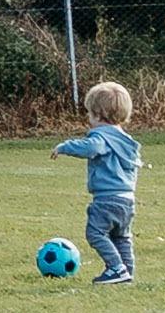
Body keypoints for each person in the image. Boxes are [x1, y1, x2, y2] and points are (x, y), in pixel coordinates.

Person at [52, 82, 141, 285]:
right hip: (127, 199)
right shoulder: (126, 140)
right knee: (121, 236)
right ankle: (127, 271)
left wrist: (65, 146)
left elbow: (91, 147)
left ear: (99, 115)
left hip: (107, 198)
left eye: (90, 114)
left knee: (95, 232)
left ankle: (116, 268)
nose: (88, 119)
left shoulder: (101, 136)